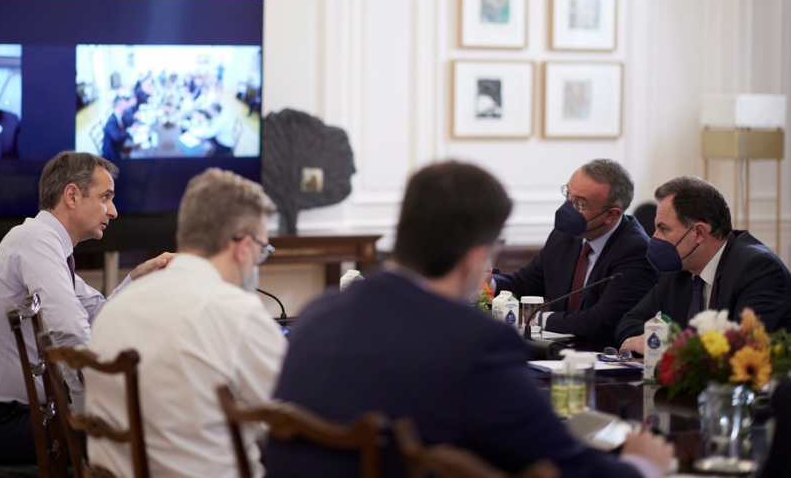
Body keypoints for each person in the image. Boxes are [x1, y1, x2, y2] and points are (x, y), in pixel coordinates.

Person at [266, 161, 674, 478]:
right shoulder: (476, 345)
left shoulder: (319, 313)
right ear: (478, 256)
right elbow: (565, 464)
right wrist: (640, 464)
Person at [0, 151, 173, 464]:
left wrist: (136, 278)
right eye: (105, 197)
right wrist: (91, 412)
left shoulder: (42, 242)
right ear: (72, 195)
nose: (114, 211)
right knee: (147, 435)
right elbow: (71, 334)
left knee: (145, 427)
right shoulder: (36, 241)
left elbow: (96, 317)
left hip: (5, 418)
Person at [86, 168, 287, 477]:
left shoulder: (114, 309)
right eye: (262, 250)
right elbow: (294, 414)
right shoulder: (233, 311)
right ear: (243, 246)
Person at [616, 176, 791, 353]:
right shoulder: (676, 268)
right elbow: (628, 324)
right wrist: (660, 341)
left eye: (663, 229)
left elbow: (740, 349)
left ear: (699, 233)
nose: (654, 237)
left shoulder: (758, 270)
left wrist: (664, 344)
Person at [492, 159, 657, 345]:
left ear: (612, 214)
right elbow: (526, 282)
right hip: (556, 351)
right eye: (568, 195)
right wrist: (488, 283)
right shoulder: (565, 235)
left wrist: (538, 319)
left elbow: (599, 323)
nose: (567, 208)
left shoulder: (637, 252)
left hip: (601, 358)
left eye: (579, 204)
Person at [101, 93, 135, 161]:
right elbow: (117, 137)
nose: (127, 108)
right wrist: (130, 131)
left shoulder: (120, 116)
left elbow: (128, 123)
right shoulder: (111, 121)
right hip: (112, 154)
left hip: (120, 145)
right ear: (119, 107)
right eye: (125, 106)